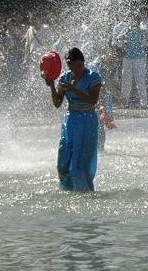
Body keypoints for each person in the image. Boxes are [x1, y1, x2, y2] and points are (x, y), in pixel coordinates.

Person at [46, 48, 102, 192]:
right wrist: (52, 84)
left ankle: (84, 191)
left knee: (81, 160)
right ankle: (67, 190)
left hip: (87, 120)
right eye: (73, 67)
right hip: (70, 121)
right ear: (69, 66)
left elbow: (93, 101)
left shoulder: (93, 77)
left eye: (80, 66)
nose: (77, 69)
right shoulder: (65, 78)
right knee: (64, 159)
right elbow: (57, 103)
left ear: (83, 63)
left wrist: (74, 89)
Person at [113, 16, 148, 108]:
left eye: (135, 20)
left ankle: (144, 103)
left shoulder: (142, 29)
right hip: (127, 58)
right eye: (131, 20)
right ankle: (124, 102)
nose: (133, 22)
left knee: (140, 80)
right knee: (126, 81)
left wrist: (143, 44)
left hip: (139, 58)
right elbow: (117, 39)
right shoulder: (125, 30)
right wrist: (122, 44)